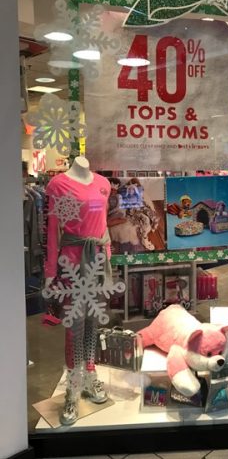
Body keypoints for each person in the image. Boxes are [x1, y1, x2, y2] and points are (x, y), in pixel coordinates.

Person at [44, 156, 112, 425]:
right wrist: (50, 271)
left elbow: (104, 224)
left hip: (97, 261)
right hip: (72, 263)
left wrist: (108, 258)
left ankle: (90, 374)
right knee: (75, 325)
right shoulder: (59, 185)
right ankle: (73, 388)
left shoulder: (104, 183)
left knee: (93, 321)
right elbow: (53, 231)